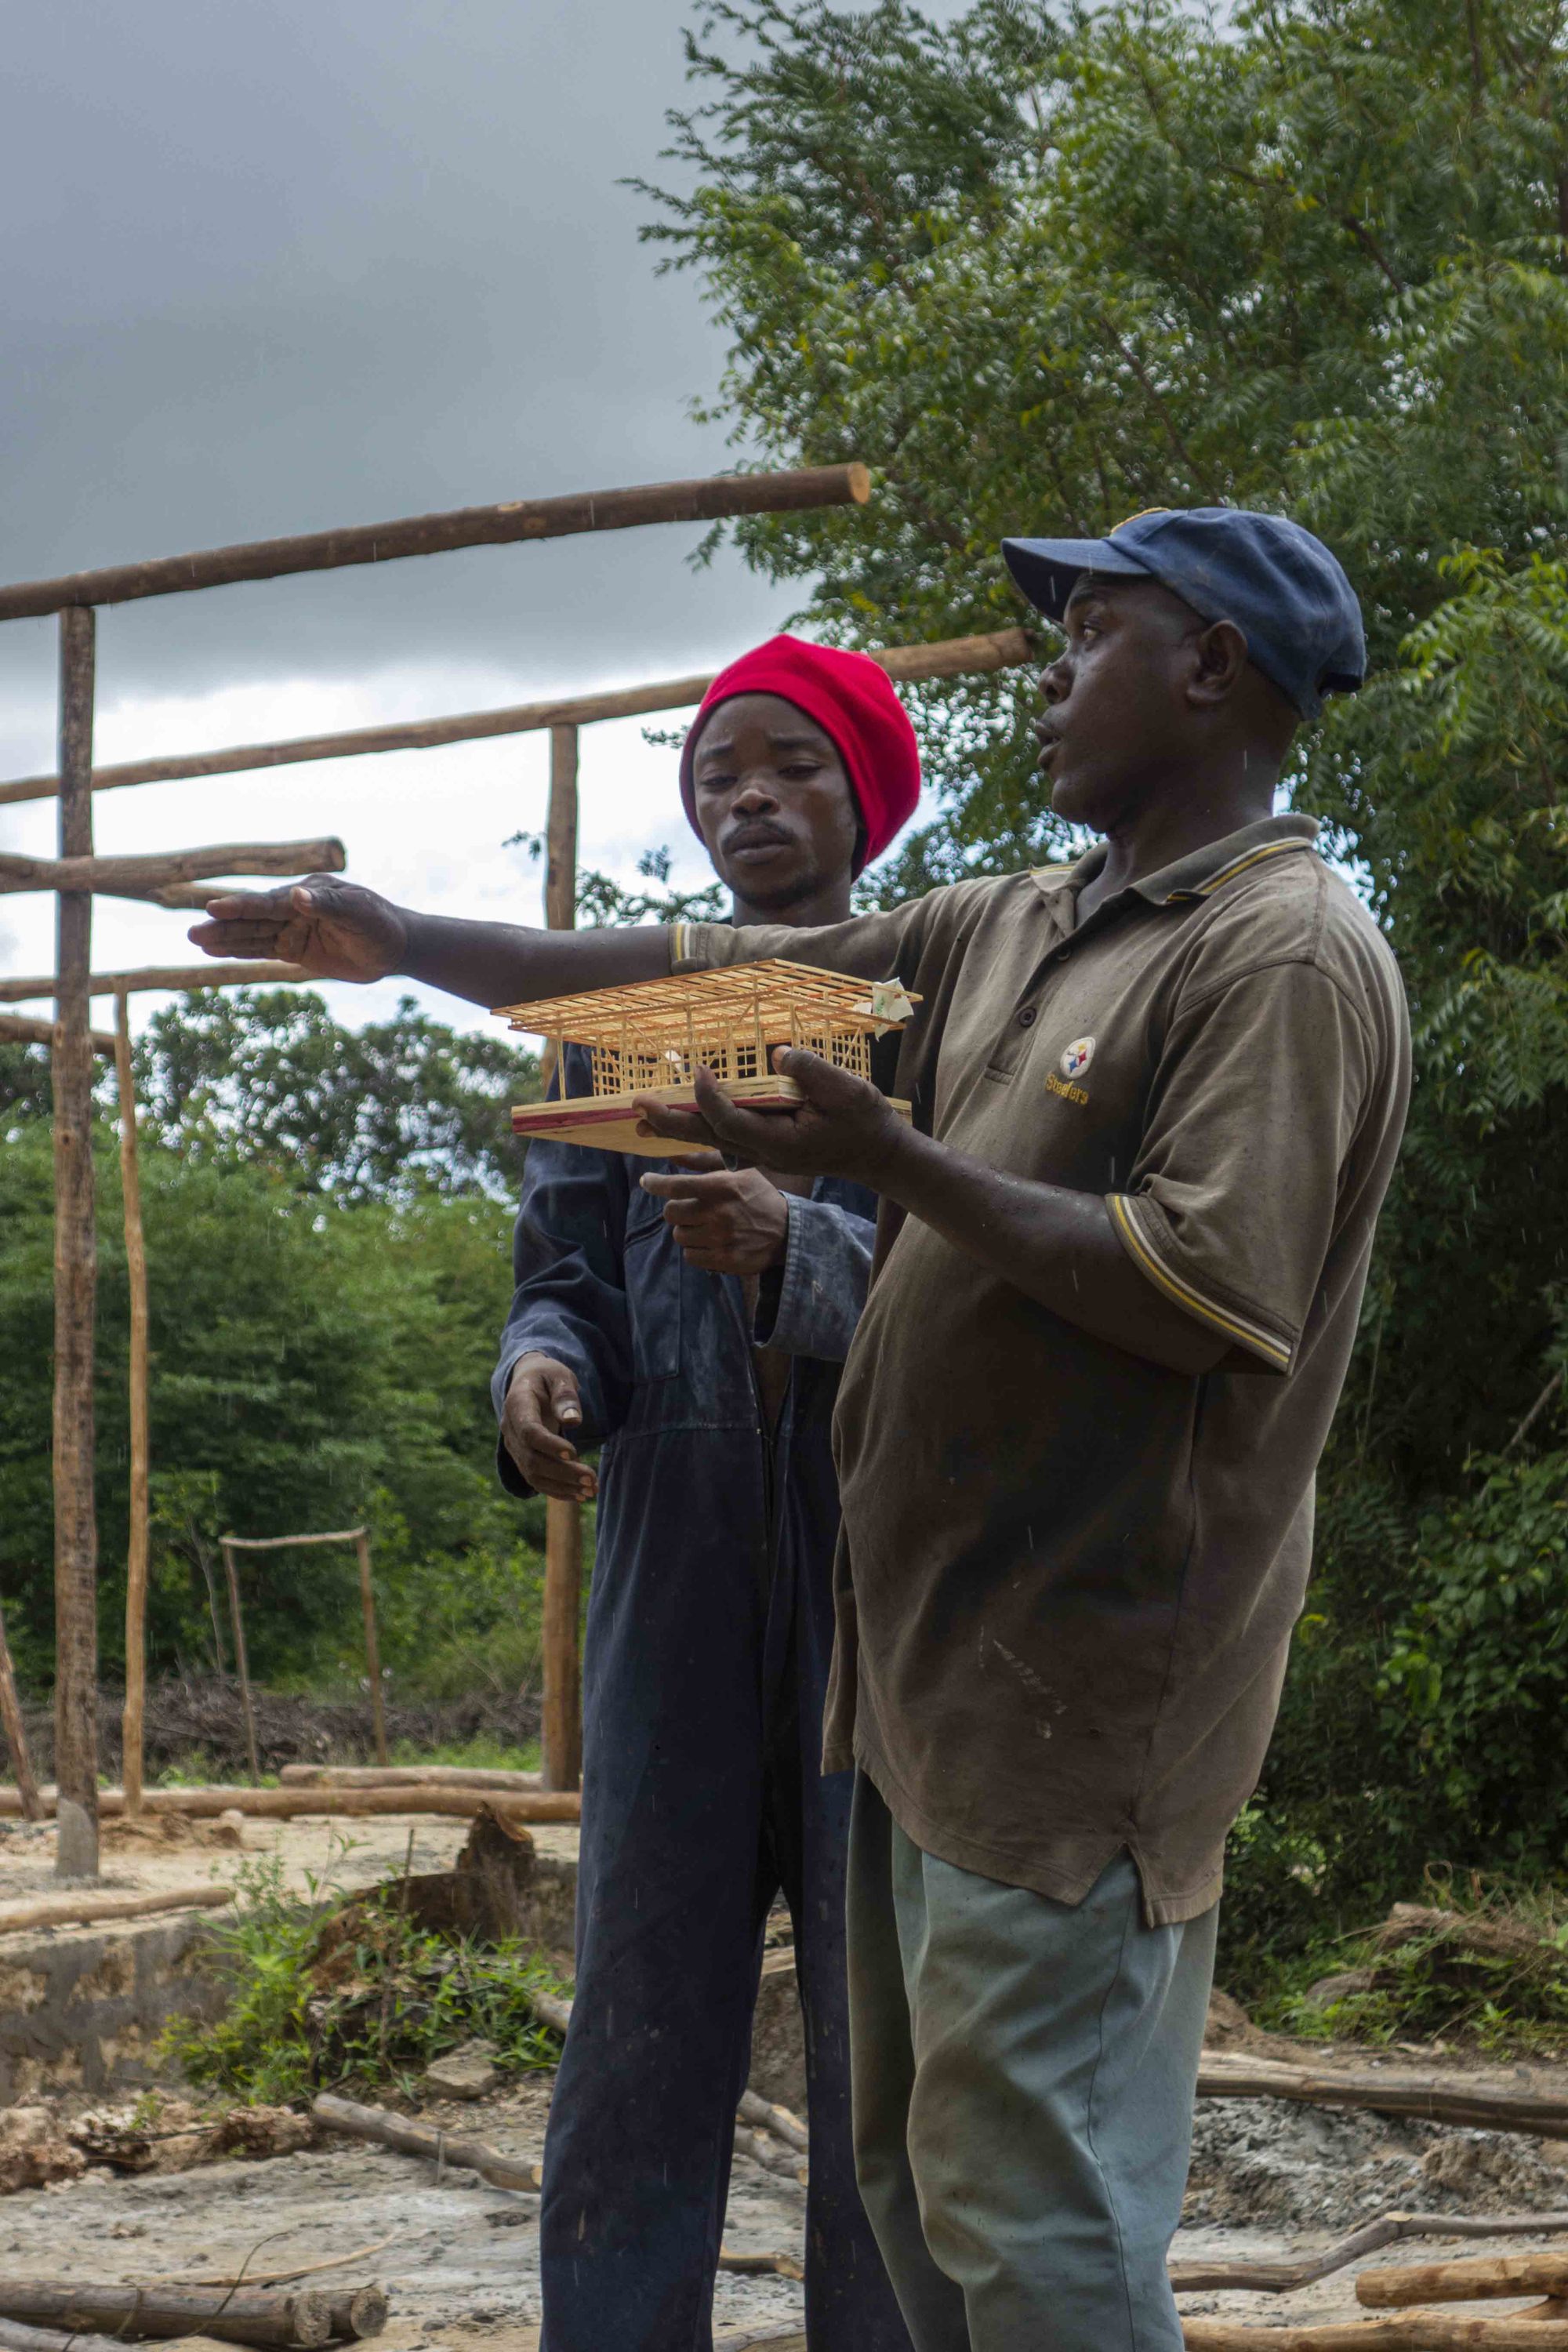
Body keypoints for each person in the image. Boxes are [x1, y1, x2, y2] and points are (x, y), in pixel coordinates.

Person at [193, 508, 1410, 2352]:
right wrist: (404, 938)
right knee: (927, 2188)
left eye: (1089, 636)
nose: (1050, 679)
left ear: (1213, 666)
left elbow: (1205, 1291)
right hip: (917, 1679)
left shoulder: (1280, 953)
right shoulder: (1011, 927)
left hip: (1078, 1700)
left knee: (1032, 2221)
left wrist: (882, 1173)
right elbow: (709, 986)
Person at [507, 637, 920, 2352]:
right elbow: (561, 1276)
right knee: (636, 2023)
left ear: (867, 800)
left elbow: (998, 1278)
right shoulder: (625, 1029)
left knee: (887, 2044)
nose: (748, 798)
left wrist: (801, 1244)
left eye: (791, 766)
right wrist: (542, 1368)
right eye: (716, 776)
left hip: (881, 1584)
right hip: (667, 1578)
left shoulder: (940, 1002)